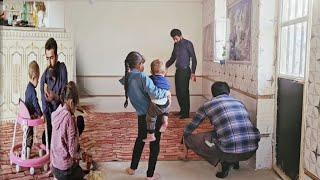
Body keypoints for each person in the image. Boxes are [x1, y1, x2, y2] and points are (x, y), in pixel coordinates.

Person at [181, 82, 261, 178]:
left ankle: (226, 162)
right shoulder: (239, 102)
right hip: (251, 151)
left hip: (228, 151)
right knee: (229, 132)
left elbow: (192, 126)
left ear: (213, 93)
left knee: (194, 138)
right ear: (228, 92)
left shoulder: (208, 104)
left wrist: (184, 137)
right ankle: (235, 161)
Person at [119, 51, 171, 180]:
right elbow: (156, 94)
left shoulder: (126, 77)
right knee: (155, 144)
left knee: (140, 140)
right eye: (143, 64)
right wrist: (167, 93)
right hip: (153, 115)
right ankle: (150, 175)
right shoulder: (142, 77)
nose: (144, 67)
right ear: (139, 64)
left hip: (141, 115)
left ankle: (132, 168)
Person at [51, 81, 84, 180]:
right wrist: (81, 155)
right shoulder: (69, 118)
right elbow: (72, 152)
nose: (76, 107)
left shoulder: (57, 112)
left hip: (54, 165)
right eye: (76, 104)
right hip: (64, 170)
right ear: (71, 102)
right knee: (80, 173)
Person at [40, 37, 68, 149]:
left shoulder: (62, 69)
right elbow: (45, 110)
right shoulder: (43, 79)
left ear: (56, 57)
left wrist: (55, 97)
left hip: (63, 116)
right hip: (52, 120)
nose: (49, 62)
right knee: (46, 138)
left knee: (79, 123)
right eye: (47, 58)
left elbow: (66, 98)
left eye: (51, 58)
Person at [165, 29, 197, 119]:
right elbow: (173, 58)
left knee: (184, 92)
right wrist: (165, 66)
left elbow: (194, 59)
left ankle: (186, 113)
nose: (174, 40)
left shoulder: (188, 44)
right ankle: (182, 110)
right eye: (173, 39)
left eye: (176, 38)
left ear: (180, 36)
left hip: (186, 71)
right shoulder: (176, 45)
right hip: (178, 71)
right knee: (178, 92)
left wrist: (193, 72)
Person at [143, 59, 171, 143]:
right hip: (166, 103)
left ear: (151, 71)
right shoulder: (166, 81)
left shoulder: (151, 79)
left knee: (150, 117)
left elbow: (147, 88)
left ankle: (151, 135)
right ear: (164, 72)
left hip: (156, 105)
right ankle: (165, 121)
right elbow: (167, 91)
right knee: (166, 109)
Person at [24, 60, 43, 159]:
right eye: (38, 79)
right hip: (29, 117)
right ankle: (27, 152)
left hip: (27, 114)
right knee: (29, 135)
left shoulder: (27, 88)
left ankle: (27, 148)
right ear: (34, 77)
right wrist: (41, 114)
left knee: (28, 134)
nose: (38, 81)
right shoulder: (33, 91)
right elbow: (35, 104)